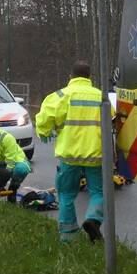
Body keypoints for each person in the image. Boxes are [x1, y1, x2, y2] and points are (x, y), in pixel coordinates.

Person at [35, 60, 104, 244]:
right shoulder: (100, 96)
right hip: (95, 154)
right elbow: (111, 120)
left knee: (66, 195)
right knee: (98, 192)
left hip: (69, 155)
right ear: (89, 77)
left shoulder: (60, 96)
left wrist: (44, 132)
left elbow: (43, 122)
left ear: (70, 77)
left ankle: (68, 237)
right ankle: (93, 219)